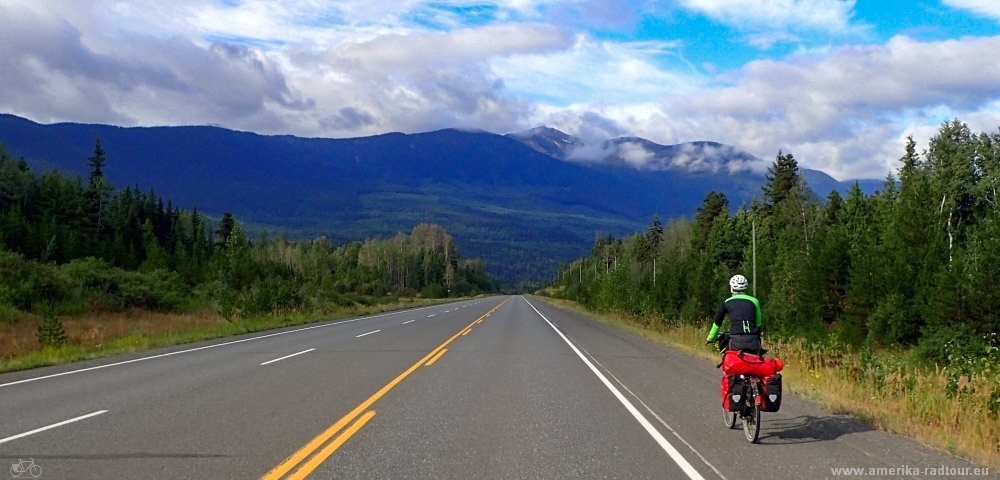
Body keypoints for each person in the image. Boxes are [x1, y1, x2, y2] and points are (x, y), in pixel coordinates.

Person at [706, 274, 763, 354]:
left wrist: (710, 338)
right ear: (745, 288)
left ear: (732, 288)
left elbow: (718, 322)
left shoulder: (726, 302)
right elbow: (758, 324)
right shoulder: (754, 301)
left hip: (735, 342)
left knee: (727, 357)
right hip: (754, 343)